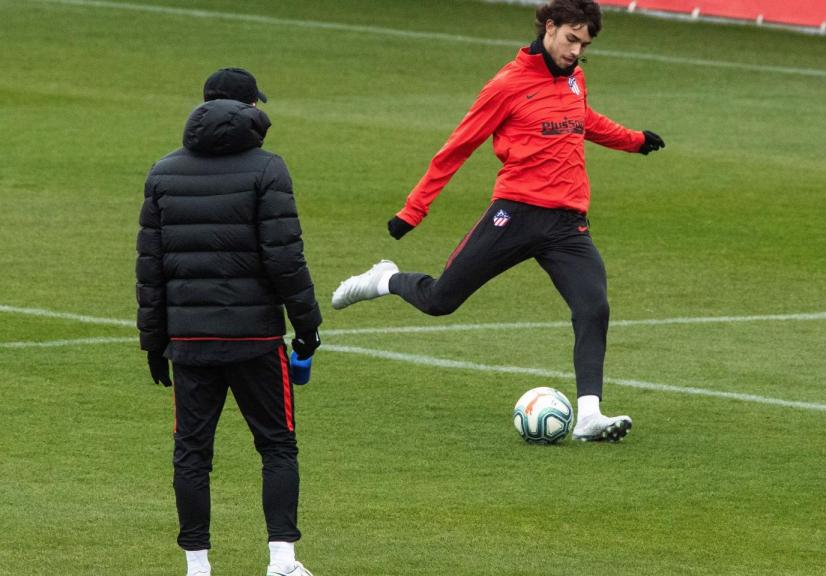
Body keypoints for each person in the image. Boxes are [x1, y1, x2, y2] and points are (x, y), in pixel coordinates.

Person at [331, 0, 664, 443]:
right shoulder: (506, 85)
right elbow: (458, 146)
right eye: (571, 40)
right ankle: (384, 279)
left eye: (584, 45)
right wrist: (413, 210)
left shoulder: (575, 79)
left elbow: (582, 120)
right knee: (440, 300)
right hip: (515, 213)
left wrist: (634, 141)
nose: (576, 52)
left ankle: (589, 414)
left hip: (567, 225)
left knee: (593, 307)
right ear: (549, 27)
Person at [137, 67, 321, 576]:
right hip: (256, 338)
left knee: (192, 453)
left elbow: (151, 267)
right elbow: (285, 257)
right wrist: (307, 325)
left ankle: (197, 567)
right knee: (277, 444)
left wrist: (153, 342)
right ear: (248, 108)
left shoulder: (163, 171)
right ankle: (281, 561)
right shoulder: (268, 168)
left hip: (188, 341)